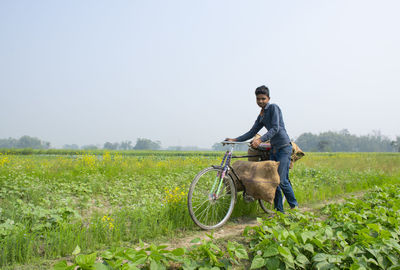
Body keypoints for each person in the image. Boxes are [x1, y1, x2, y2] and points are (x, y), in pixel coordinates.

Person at [225, 85, 298, 212]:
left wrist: (260, 140)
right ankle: (279, 212)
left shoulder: (273, 108)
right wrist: (235, 139)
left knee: (282, 180)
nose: (260, 101)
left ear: (268, 98)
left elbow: (275, 128)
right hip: (274, 149)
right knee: (273, 181)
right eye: (258, 99)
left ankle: (295, 208)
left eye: (263, 99)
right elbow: (252, 131)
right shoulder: (261, 115)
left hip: (284, 147)